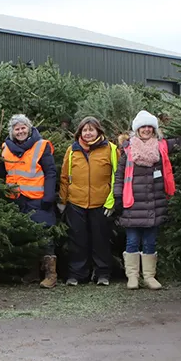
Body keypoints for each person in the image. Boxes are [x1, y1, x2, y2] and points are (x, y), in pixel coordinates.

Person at [113, 110, 181, 291]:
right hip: (132, 204)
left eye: (150, 126)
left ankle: (149, 277)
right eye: (143, 127)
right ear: (137, 130)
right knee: (132, 241)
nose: (146, 130)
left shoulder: (161, 147)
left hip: (155, 203)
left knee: (150, 242)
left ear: (154, 129)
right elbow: (119, 176)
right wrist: (117, 197)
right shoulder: (128, 150)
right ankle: (132, 277)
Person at [0, 114, 58, 288]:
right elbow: (3, 173)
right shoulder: (5, 148)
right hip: (16, 199)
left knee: (44, 235)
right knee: (25, 236)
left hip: (38, 199)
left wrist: (48, 196)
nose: (20, 131)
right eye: (17, 128)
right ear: (12, 131)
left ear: (29, 128)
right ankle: (32, 272)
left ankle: (50, 275)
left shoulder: (41, 146)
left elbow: (51, 172)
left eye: (23, 127)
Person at [58, 117, 118, 286]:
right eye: (85, 130)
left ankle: (103, 274)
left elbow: (118, 177)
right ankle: (77, 275)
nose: (88, 133)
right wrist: (62, 201)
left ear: (99, 131)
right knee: (77, 240)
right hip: (76, 202)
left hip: (102, 203)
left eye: (92, 130)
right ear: (80, 132)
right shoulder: (72, 151)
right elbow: (64, 177)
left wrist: (112, 202)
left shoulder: (111, 150)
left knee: (101, 240)